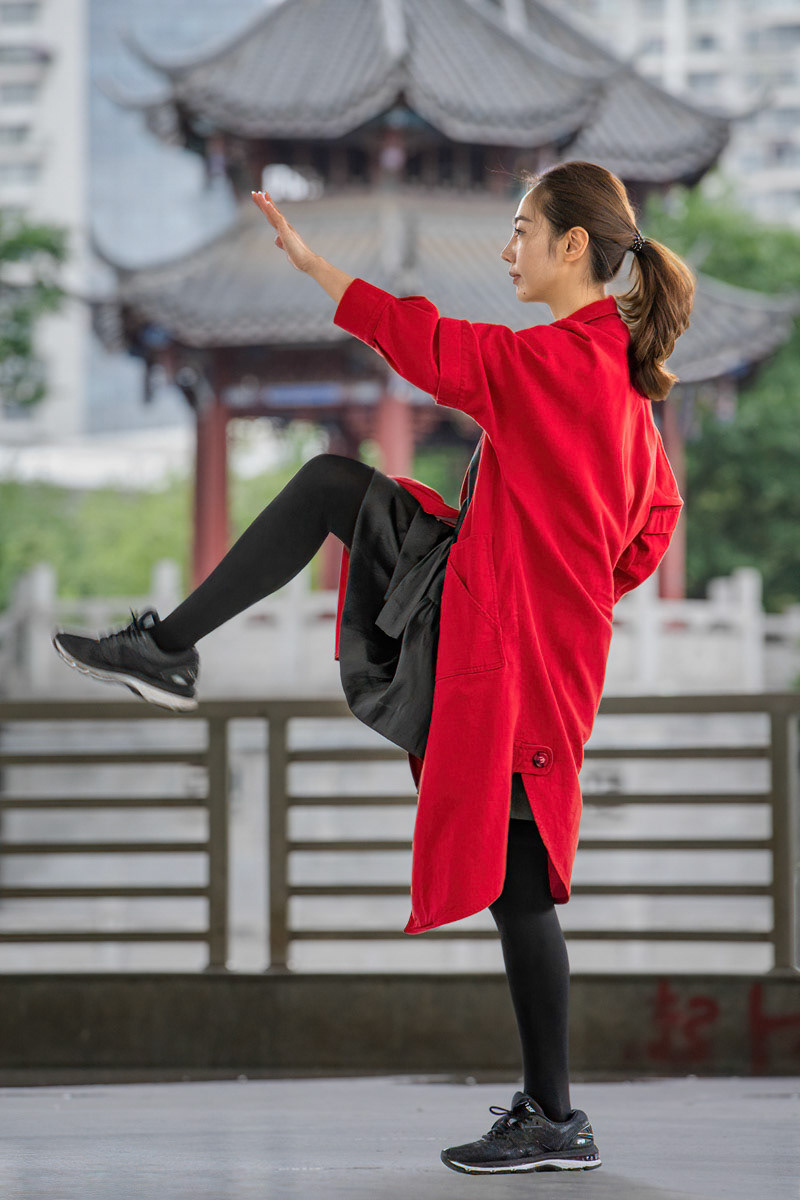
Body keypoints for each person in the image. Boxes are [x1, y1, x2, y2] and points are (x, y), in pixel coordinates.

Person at [53, 160, 694, 1174]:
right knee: (334, 490)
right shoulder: (621, 386)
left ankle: (555, 1116)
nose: (507, 247)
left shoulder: (549, 364)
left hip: (512, 646)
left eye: (523, 229)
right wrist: (541, 568)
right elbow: (649, 533)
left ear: (574, 246)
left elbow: (427, 347)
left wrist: (313, 264)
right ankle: (166, 651)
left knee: (521, 885)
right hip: (535, 636)